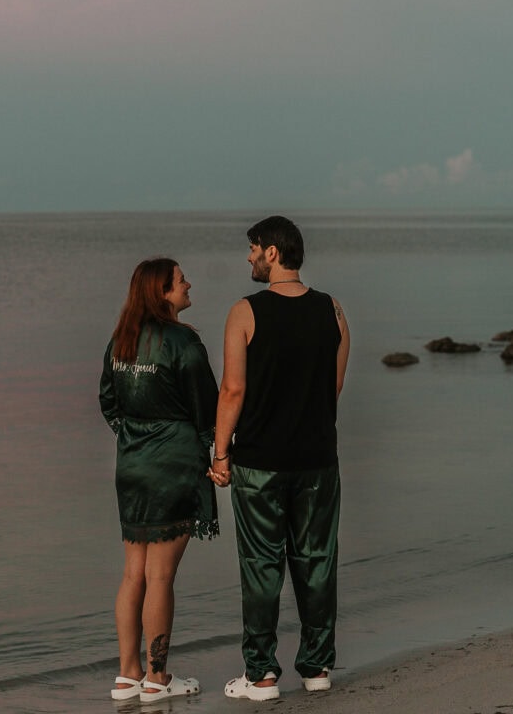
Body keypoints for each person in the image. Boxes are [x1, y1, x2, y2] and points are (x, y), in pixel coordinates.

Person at [209, 216, 350, 702]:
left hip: (260, 463)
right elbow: (332, 390)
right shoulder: (332, 310)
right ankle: (316, 669)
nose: (248, 258)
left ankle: (262, 675)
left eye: (252, 249)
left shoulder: (244, 312)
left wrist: (220, 453)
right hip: (317, 459)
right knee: (317, 563)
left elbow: (232, 390)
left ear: (273, 252)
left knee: (261, 565)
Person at [99, 258, 219, 703]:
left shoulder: (121, 340)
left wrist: (136, 436)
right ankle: (158, 677)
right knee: (161, 576)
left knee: (134, 574)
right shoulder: (183, 343)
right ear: (161, 292)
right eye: (180, 280)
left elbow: (108, 402)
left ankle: (127, 676)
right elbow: (207, 407)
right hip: (173, 465)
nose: (189, 284)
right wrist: (217, 454)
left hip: (131, 466)